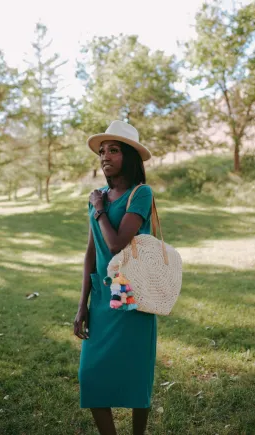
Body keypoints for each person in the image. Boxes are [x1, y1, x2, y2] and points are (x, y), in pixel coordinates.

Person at [74, 120, 157, 435]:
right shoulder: (98, 196)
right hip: (101, 299)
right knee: (91, 373)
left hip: (132, 295)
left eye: (113, 150)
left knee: (137, 374)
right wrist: (82, 305)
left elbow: (116, 242)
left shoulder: (141, 193)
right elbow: (92, 253)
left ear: (130, 157)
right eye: (102, 151)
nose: (105, 156)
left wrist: (98, 210)